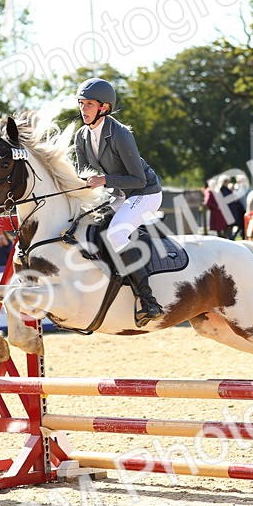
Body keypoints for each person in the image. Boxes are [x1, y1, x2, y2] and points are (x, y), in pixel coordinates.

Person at [72, 77, 164, 326]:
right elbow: (83, 173)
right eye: (81, 103)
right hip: (116, 194)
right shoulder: (81, 136)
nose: (83, 109)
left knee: (115, 235)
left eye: (89, 104)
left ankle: (149, 301)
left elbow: (137, 179)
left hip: (144, 193)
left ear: (104, 107)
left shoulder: (120, 134)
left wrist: (102, 179)